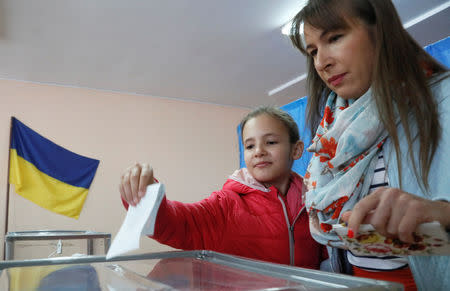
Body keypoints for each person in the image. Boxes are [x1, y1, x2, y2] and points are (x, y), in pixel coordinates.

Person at [288, 0, 450, 290]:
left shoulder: (444, 100)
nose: (321, 62)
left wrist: (442, 213)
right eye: (312, 51)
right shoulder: (331, 130)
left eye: (334, 38)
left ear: (381, 31)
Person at [119, 106, 328, 269]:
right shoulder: (227, 204)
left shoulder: (315, 203)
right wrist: (146, 197)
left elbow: (331, 259)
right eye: (250, 146)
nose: (259, 151)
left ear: (297, 149)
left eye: (271, 142)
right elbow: (178, 224)